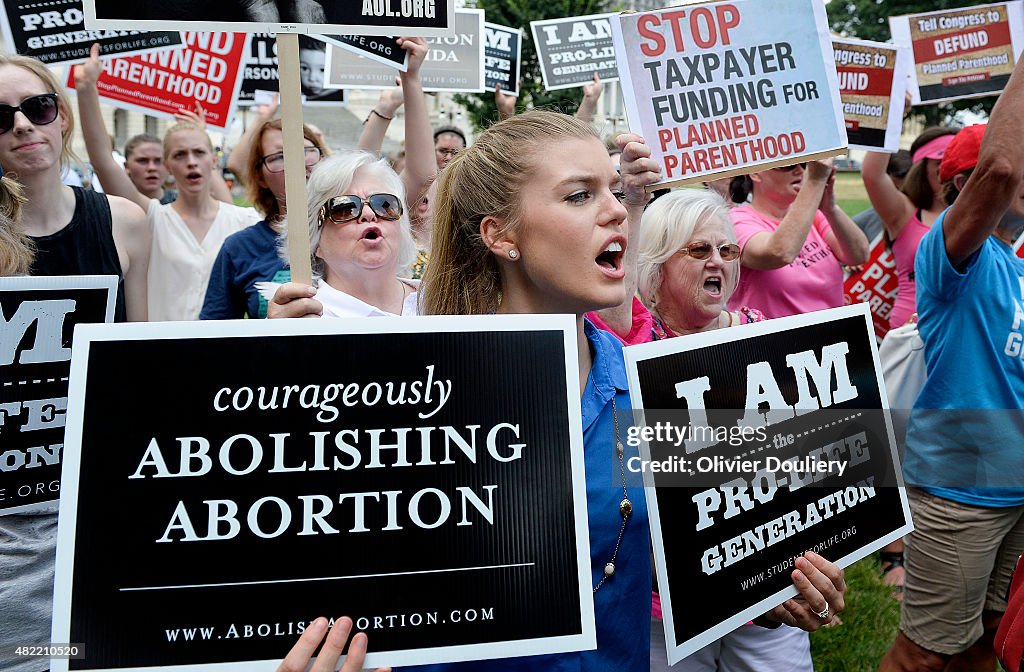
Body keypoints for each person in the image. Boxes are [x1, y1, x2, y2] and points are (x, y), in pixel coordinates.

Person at [404, 110, 846, 670]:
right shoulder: (415, 395)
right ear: (500, 234)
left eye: (613, 190)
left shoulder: (645, 378)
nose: (616, 210)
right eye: (579, 196)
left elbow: (676, 547)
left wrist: (770, 578)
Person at [0, 52, 150, 672]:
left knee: (83, 659)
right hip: (10, 531)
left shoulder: (125, 224)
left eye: (36, 109)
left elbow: (142, 371)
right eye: (0, 118)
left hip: (92, 515)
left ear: (59, 117)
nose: (22, 127)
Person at [877, 53, 1024, 672]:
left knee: (989, 637)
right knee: (923, 656)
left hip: (1014, 488)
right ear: (965, 188)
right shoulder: (951, 260)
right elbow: (1002, 166)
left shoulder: (1015, 267)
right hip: (960, 493)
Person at [75, 43, 261, 321]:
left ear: (213, 160)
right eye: (180, 154)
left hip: (223, 354)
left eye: (199, 152)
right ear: (168, 166)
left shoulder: (243, 220)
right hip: (163, 355)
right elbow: (103, 161)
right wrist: (87, 89)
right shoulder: (151, 219)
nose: (191, 161)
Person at [265, 151, 418, 319]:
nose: (368, 213)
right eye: (345, 208)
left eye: (384, 204)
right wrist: (276, 339)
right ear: (314, 242)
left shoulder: (440, 300)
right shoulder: (297, 318)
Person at [199, 118, 326, 319]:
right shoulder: (239, 248)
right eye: (279, 156)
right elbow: (214, 337)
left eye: (306, 150)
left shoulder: (355, 229)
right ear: (260, 176)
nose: (296, 162)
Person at [728, 160, 869, 318]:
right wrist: (814, 182)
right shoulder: (735, 221)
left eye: (804, 164)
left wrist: (830, 209)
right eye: (787, 165)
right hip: (778, 340)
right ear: (755, 173)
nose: (799, 171)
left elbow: (859, 255)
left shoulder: (812, 215)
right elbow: (779, 253)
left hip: (832, 336)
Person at [861, 129, 956, 329]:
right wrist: (889, 113)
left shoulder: (975, 213)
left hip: (961, 329)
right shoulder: (904, 213)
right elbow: (872, 174)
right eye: (941, 165)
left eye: (957, 164)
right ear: (922, 170)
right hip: (911, 331)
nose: (950, 172)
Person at [852, 149, 911, 242]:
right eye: (893, 191)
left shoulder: (934, 219)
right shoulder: (860, 224)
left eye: (906, 193)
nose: (901, 200)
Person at [122, 133, 177, 204]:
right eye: (142, 161)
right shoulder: (113, 206)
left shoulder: (184, 205)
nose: (152, 168)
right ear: (127, 167)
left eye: (158, 161)